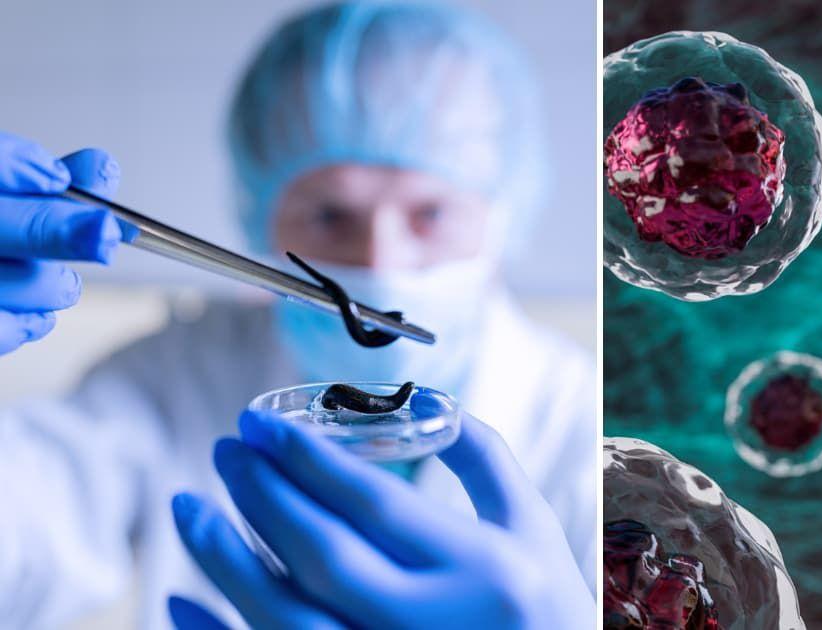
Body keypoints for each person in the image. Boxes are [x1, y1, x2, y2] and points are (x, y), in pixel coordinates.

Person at [0, 2, 596, 628]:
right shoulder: (173, 378)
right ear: (263, 218)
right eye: (330, 217)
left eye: (431, 214)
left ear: (502, 213)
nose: (381, 262)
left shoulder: (580, 422)